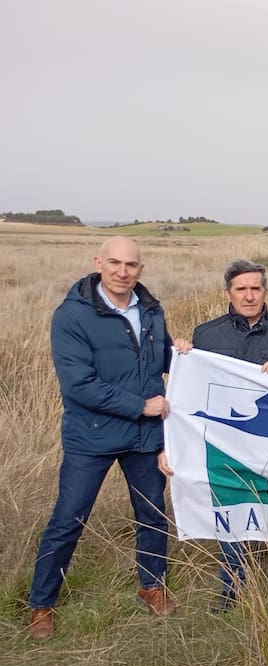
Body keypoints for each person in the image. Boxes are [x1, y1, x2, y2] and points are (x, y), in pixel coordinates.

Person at [27, 237, 179, 639]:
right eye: (114, 263)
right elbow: (79, 385)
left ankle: (151, 585)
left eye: (131, 264)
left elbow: (159, 357)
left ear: (140, 269)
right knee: (68, 519)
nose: (122, 271)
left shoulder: (150, 308)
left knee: (151, 514)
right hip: (92, 436)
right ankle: (41, 604)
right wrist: (140, 406)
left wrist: (180, 353)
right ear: (98, 263)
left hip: (144, 438)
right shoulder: (72, 316)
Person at [183, 259, 268, 610]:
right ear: (228, 293)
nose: (249, 296)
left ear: (265, 291)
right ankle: (231, 587)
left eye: (255, 288)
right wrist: (182, 356)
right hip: (226, 442)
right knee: (232, 510)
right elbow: (195, 387)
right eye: (241, 289)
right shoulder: (207, 334)